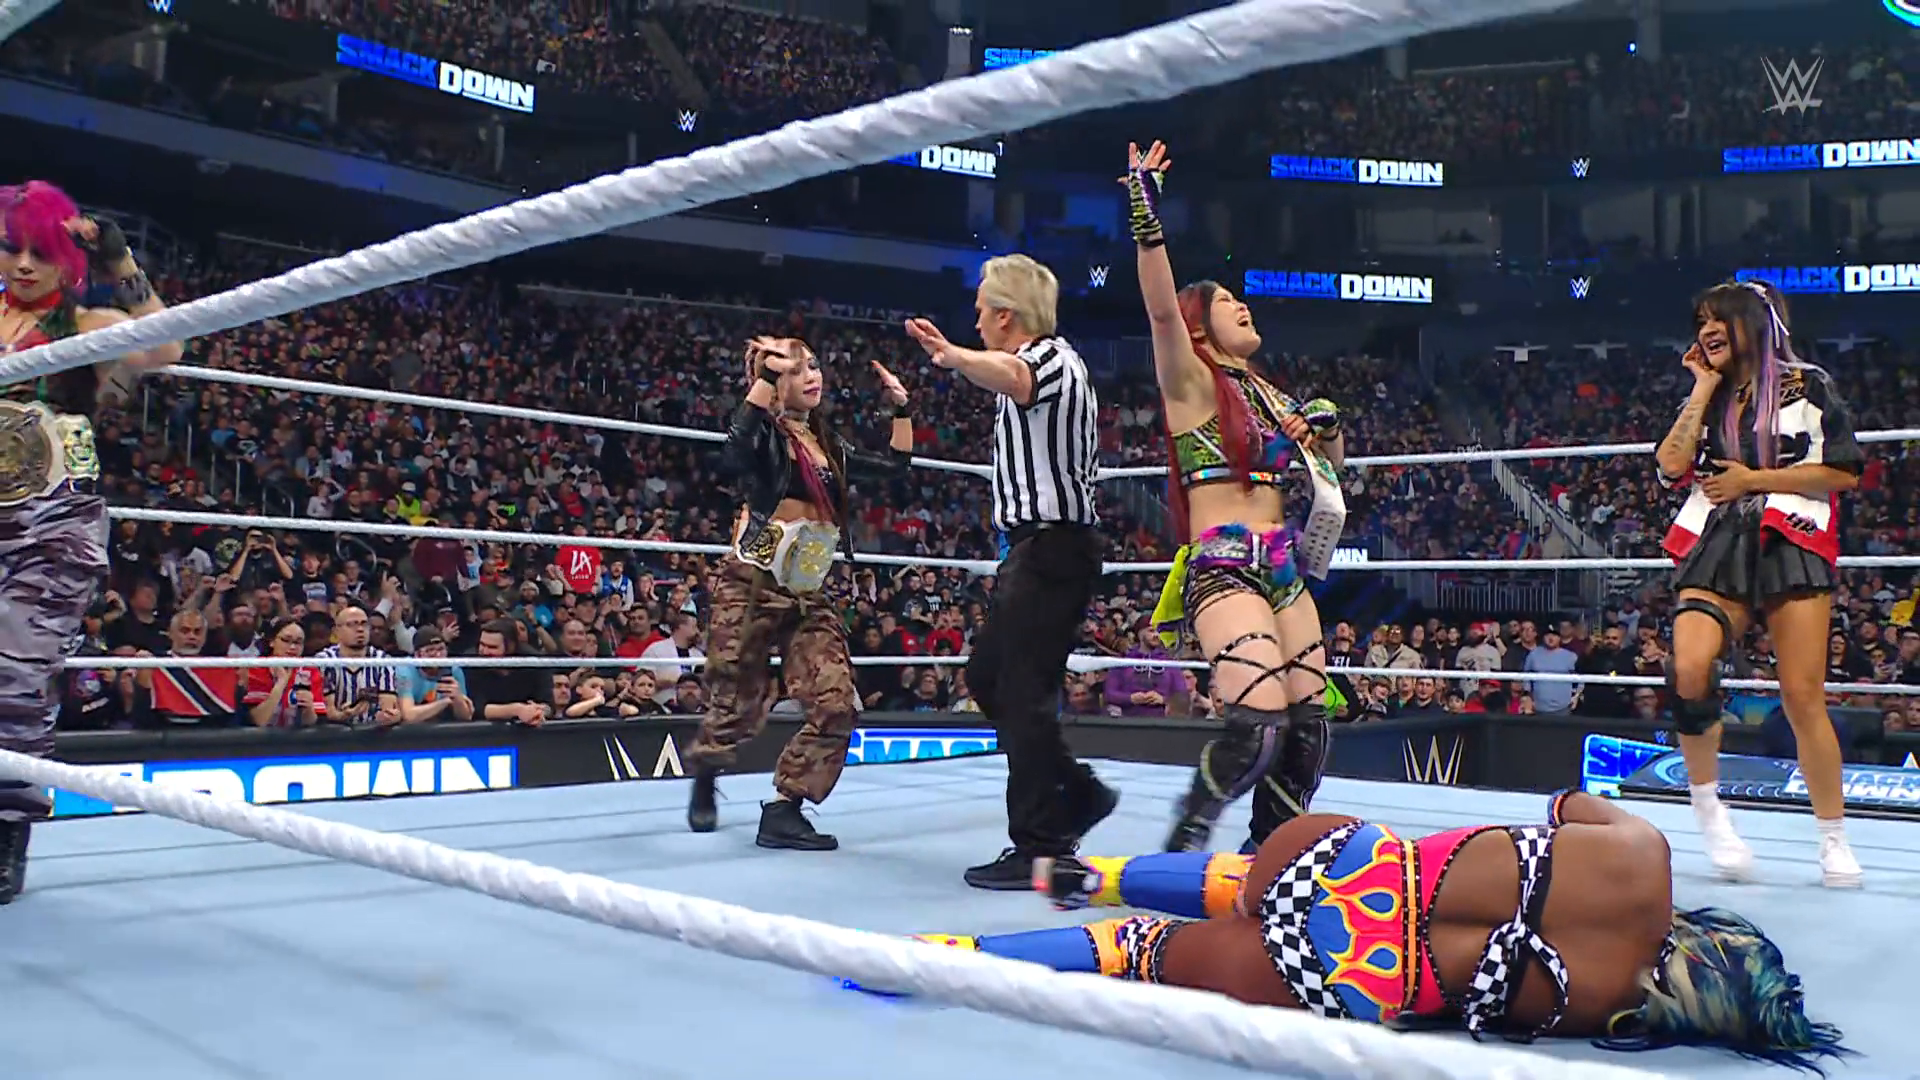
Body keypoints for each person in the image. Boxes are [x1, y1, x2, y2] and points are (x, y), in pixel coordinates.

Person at [889, 790, 1849, 1072]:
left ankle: (1091, 873)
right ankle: (944, 961)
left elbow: (1564, 803)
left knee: (1244, 882)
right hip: (1353, 980)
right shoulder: (1609, 1014)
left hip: (1354, 861)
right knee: (1141, 955)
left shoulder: (1644, 854)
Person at [1120, 141, 1347, 855]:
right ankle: (1185, 843)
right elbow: (1160, 313)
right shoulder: (1191, 380)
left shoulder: (1270, 393)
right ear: (1200, 322)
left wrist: (1329, 428)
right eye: (1226, 302)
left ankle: (1269, 853)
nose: (1243, 306)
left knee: (1310, 728)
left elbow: (1332, 470)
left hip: (1283, 564)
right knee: (1258, 725)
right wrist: (1145, 216)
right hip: (1224, 562)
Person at [903, 254, 1116, 890]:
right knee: (989, 677)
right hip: (1037, 550)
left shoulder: (1050, 359)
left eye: (980, 312)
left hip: (1053, 548)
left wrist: (953, 357)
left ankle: (1041, 844)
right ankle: (1075, 791)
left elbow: (1015, 376)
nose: (974, 322)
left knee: (1022, 692)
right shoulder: (1044, 362)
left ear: (1005, 315)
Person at [0, 181, 182, 904]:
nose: (23, 265)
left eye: (39, 252)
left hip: (52, 527)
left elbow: (165, 346)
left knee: (15, 680)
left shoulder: (85, 322)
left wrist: (119, 259)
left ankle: (8, 828)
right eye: (11, 248)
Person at [1653, 280, 1863, 888]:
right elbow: (1670, 466)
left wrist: (1753, 480)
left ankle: (1833, 838)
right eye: (1701, 320)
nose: (1706, 330)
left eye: (1718, 319)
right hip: (1719, 539)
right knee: (1689, 667)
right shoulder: (1711, 394)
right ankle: (1709, 812)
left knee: (1801, 697)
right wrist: (1701, 387)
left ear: (1752, 323)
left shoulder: (1807, 384)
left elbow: (1843, 472)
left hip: (1789, 535)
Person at [685, 335, 914, 851]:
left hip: (807, 592)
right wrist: (765, 380)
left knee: (837, 703)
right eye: (796, 370)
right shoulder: (763, 435)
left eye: (813, 366)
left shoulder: (826, 444)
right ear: (772, 380)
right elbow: (732, 456)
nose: (812, 376)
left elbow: (895, 468)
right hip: (752, 584)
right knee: (735, 702)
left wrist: (901, 408)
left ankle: (784, 809)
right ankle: (706, 769)